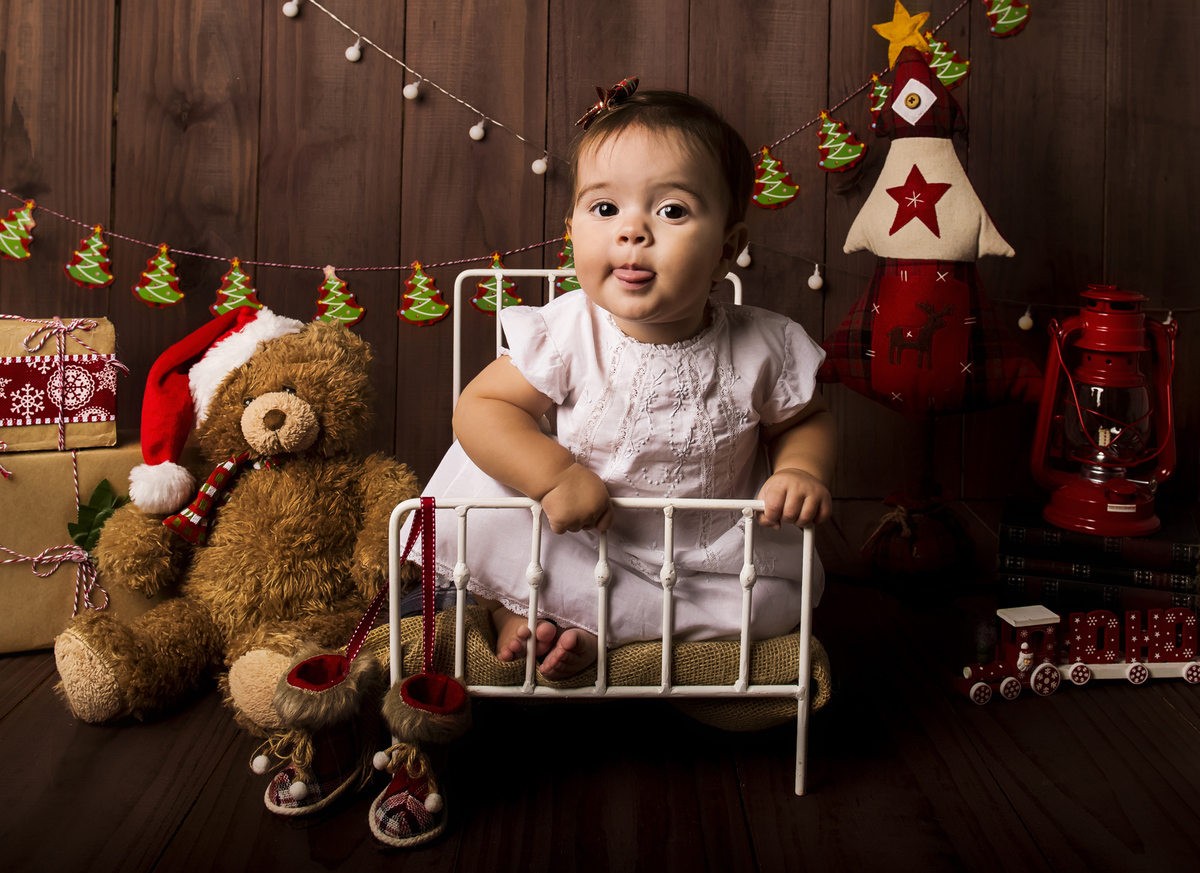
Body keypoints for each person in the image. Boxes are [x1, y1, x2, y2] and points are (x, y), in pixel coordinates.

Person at [417, 86, 835, 680]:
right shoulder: (568, 330)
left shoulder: (764, 346)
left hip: (706, 561)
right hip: (579, 535)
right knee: (481, 499)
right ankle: (519, 611)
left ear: (727, 249)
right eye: (605, 209)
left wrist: (802, 471)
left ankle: (586, 630)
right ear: (572, 232)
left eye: (672, 211)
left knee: (774, 603)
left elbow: (806, 419)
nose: (632, 232)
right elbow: (481, 407)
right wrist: (554, 476)